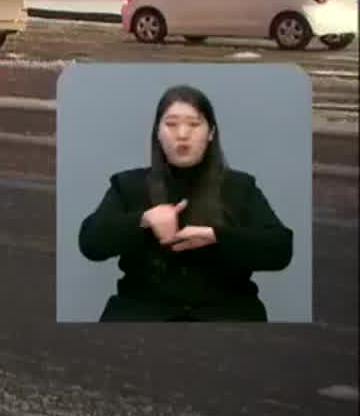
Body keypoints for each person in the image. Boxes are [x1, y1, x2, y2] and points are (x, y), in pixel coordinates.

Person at [77, 84, 293, 321]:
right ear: (157, 133)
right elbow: (90, 243)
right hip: (142, 313)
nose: (182, 134)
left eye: (194, 124)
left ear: (211, 132)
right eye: (171, 124)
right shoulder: (128, 185)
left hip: (227, 314)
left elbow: (280, 249)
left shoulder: (240, 187)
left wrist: (217, 236)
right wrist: (143, 220)